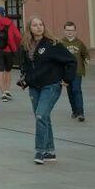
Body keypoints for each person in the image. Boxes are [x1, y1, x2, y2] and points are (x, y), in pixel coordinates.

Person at [18, 17, 76, 165]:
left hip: (51, 85)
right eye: (35, 25)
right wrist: (25, 79)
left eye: (41, 24)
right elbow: (25, 65)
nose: (39, 27)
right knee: (43, 118)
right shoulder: (25, 46)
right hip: (34, 87)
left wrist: (67, 79)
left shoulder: (52, 44)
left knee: (40, 115)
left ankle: (40, 150)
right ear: (29, 28)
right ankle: (50, 151)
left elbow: (71, 61)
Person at [59, 21, 89, 122]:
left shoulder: (79, 43)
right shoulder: (60, 43)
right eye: (68, 30)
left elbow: (85, 53)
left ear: (75, 31)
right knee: (70, 92)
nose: (70, 32)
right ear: (64, 31)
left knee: (76, 90)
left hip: (77, 71)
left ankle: (80, 113)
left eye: (72, 30)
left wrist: (87, 59)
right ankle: (74, 111)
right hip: (66, 72)